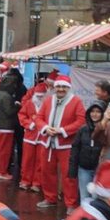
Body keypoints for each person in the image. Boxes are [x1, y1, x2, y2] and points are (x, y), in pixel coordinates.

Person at [35, 74, 85, 210]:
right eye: (58, 86)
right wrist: (45, 128)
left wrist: (62, 130)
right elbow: (38, 118)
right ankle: (49, 198)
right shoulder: (48, 100)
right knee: (46, 172)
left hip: (66, 144)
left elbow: (81, 121)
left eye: (64, 87)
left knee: (68, 175)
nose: (61, 89)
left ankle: (71, 204)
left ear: (68, 88)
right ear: (55, 87)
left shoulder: (76, 101)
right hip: (47, 143)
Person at [68, 102, 105, 204]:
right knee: (84, 198)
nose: (95, 114)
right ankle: (85, 218)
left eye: (98, 112)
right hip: (84, 169)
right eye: (92, 111)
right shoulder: (83, 129)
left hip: (99, 170)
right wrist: (72, 169)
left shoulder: (106, 129)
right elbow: (75, 148)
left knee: (96, 197)